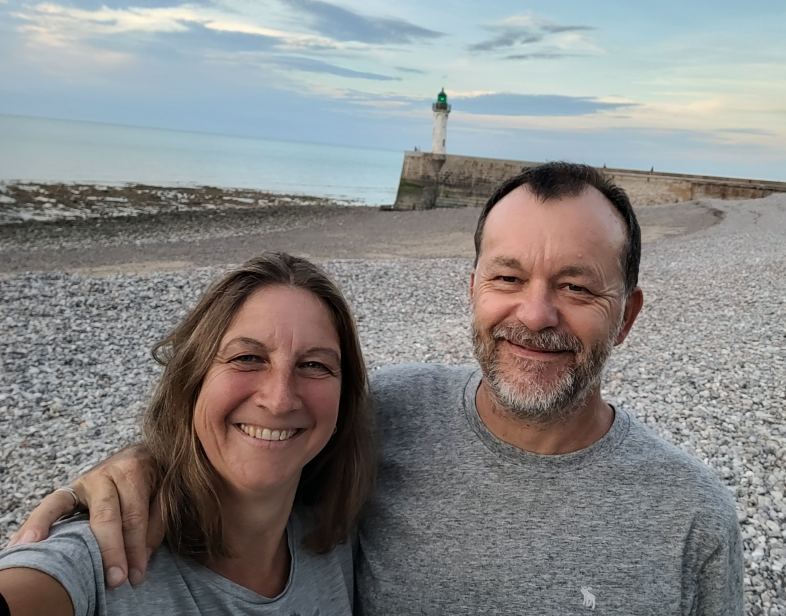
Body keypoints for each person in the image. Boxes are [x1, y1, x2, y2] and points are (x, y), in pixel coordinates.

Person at [9, 162, 744, 614]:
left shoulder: (689, 516)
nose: (536, 313)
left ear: (628, 316)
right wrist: (141, 464)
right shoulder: (382, 415)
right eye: (508, 279)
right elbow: (260, 426)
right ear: (474, 291)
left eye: (578, 286)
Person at [0, 253, 374, 615]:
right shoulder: (103, 555)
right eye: (246, 358)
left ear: (345, 398)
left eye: (313, 365)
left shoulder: (339, 539)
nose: (278, 400)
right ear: (190, 381)